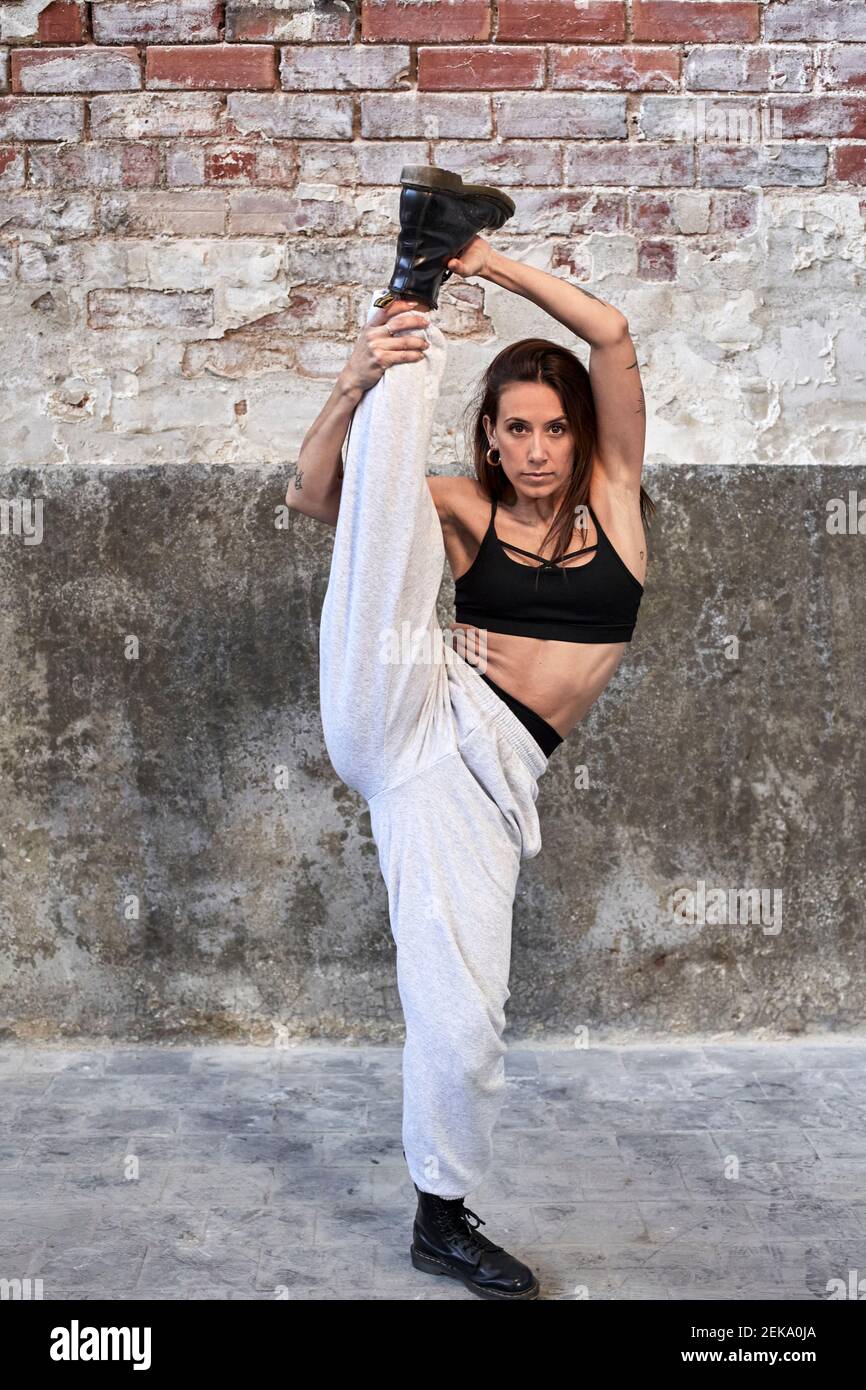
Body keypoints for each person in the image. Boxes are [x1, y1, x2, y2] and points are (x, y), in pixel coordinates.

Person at [287, 218, 653, 1301]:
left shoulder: (617, 504)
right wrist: (353, 382)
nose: (535, 450)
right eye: (513, 431)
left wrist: (486, 264)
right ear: (487, 440)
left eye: (552, 430)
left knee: (462, 1021)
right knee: (386, 522)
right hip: (407, 698)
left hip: (472, 782)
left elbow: (613, 334)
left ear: (578, 438)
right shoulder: (463, 508)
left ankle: (436, 1217)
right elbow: (314, 501)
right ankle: (403, 307)